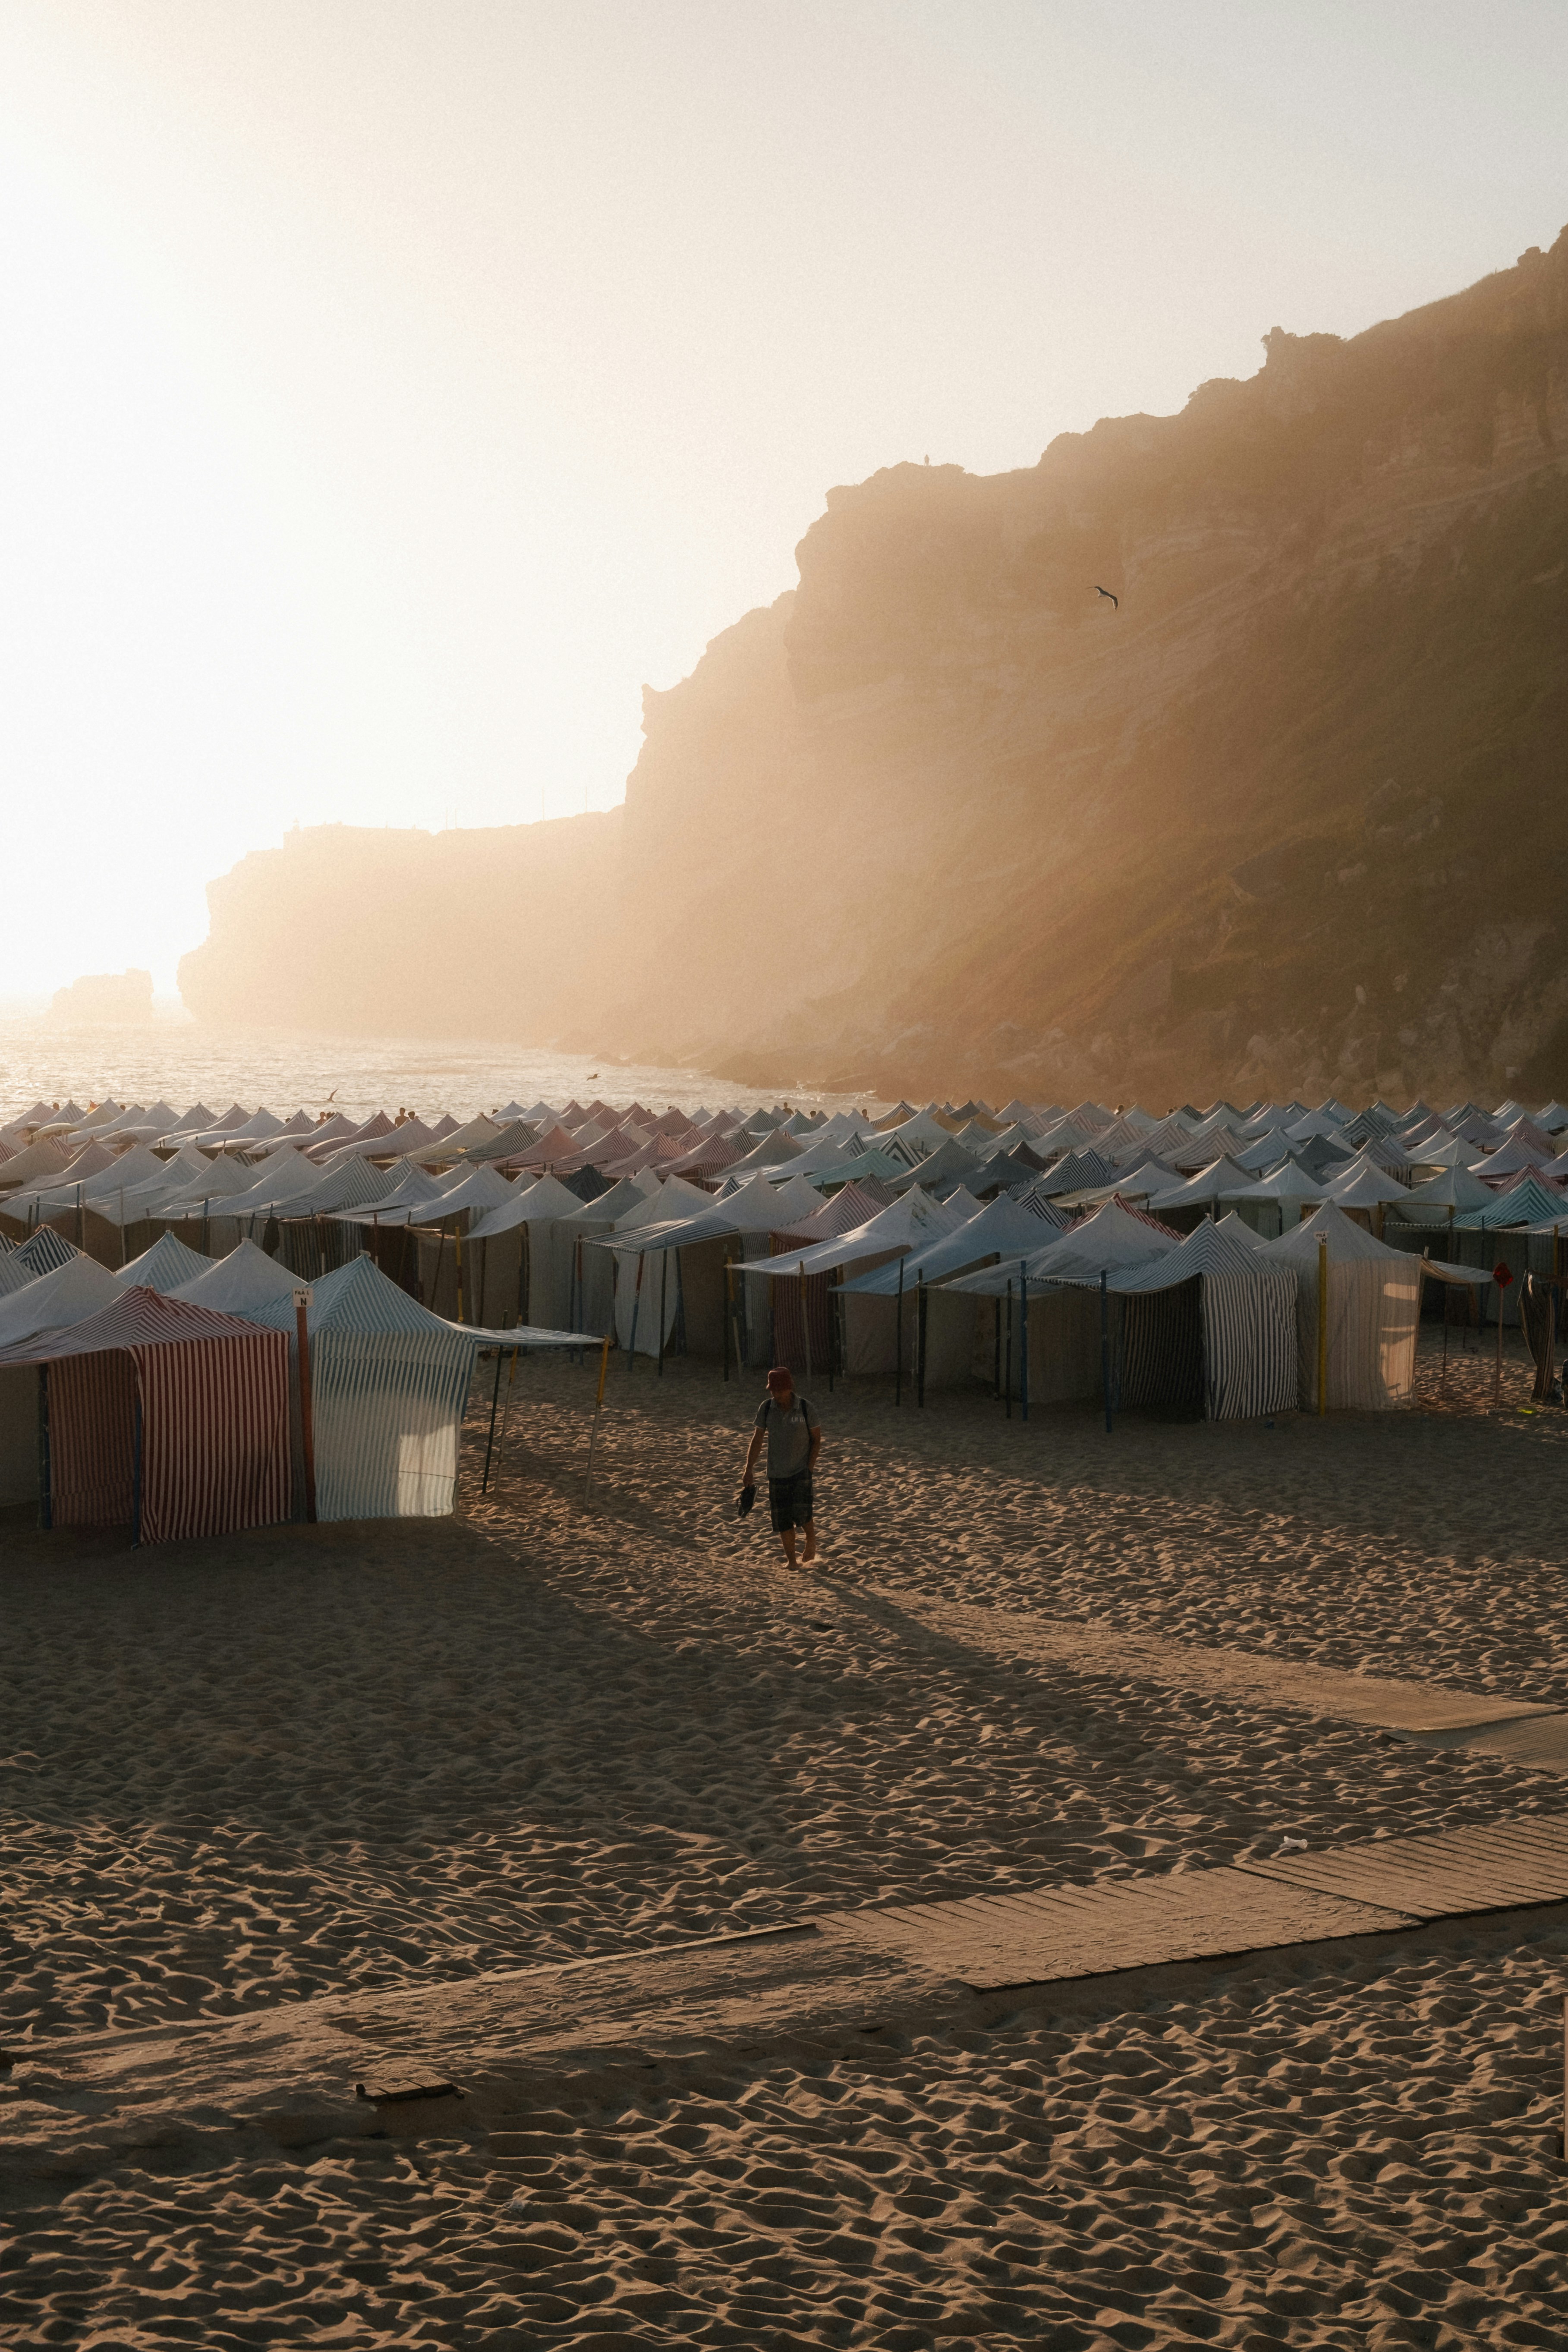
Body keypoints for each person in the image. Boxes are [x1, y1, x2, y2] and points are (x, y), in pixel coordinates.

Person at [741, 1366, 822, 1568]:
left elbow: (817, 1440)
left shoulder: (805, 1408)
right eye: (773, 1391)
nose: (777, 1395)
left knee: (803, 1515)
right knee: (783, 1520)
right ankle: (792, 1561)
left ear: (790, 1388)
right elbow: (758, 1438)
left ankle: (811, 1540)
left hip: (801, 1470)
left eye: (780, 1390)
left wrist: (809, 1468)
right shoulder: (767, 1408)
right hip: (776, 1473)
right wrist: (749, 1468)